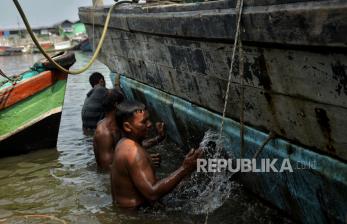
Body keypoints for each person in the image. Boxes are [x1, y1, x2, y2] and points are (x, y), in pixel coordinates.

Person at [111, 100, 202, 208]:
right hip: (138, 215)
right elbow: (152, 193)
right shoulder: (134, 153)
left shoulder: (123, 143)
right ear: (127, 126)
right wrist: (185, 168)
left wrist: (159, 138)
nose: (149, 124)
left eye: (148, 119)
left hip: (128, 211)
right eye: (144, 122)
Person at [93, 91, 165, 171]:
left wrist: (159, 138)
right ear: (116, 105)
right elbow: (107, 168)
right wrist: (143, 162)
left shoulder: (118, 125)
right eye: (124, 103)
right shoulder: (104, 133)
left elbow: (131, 147)